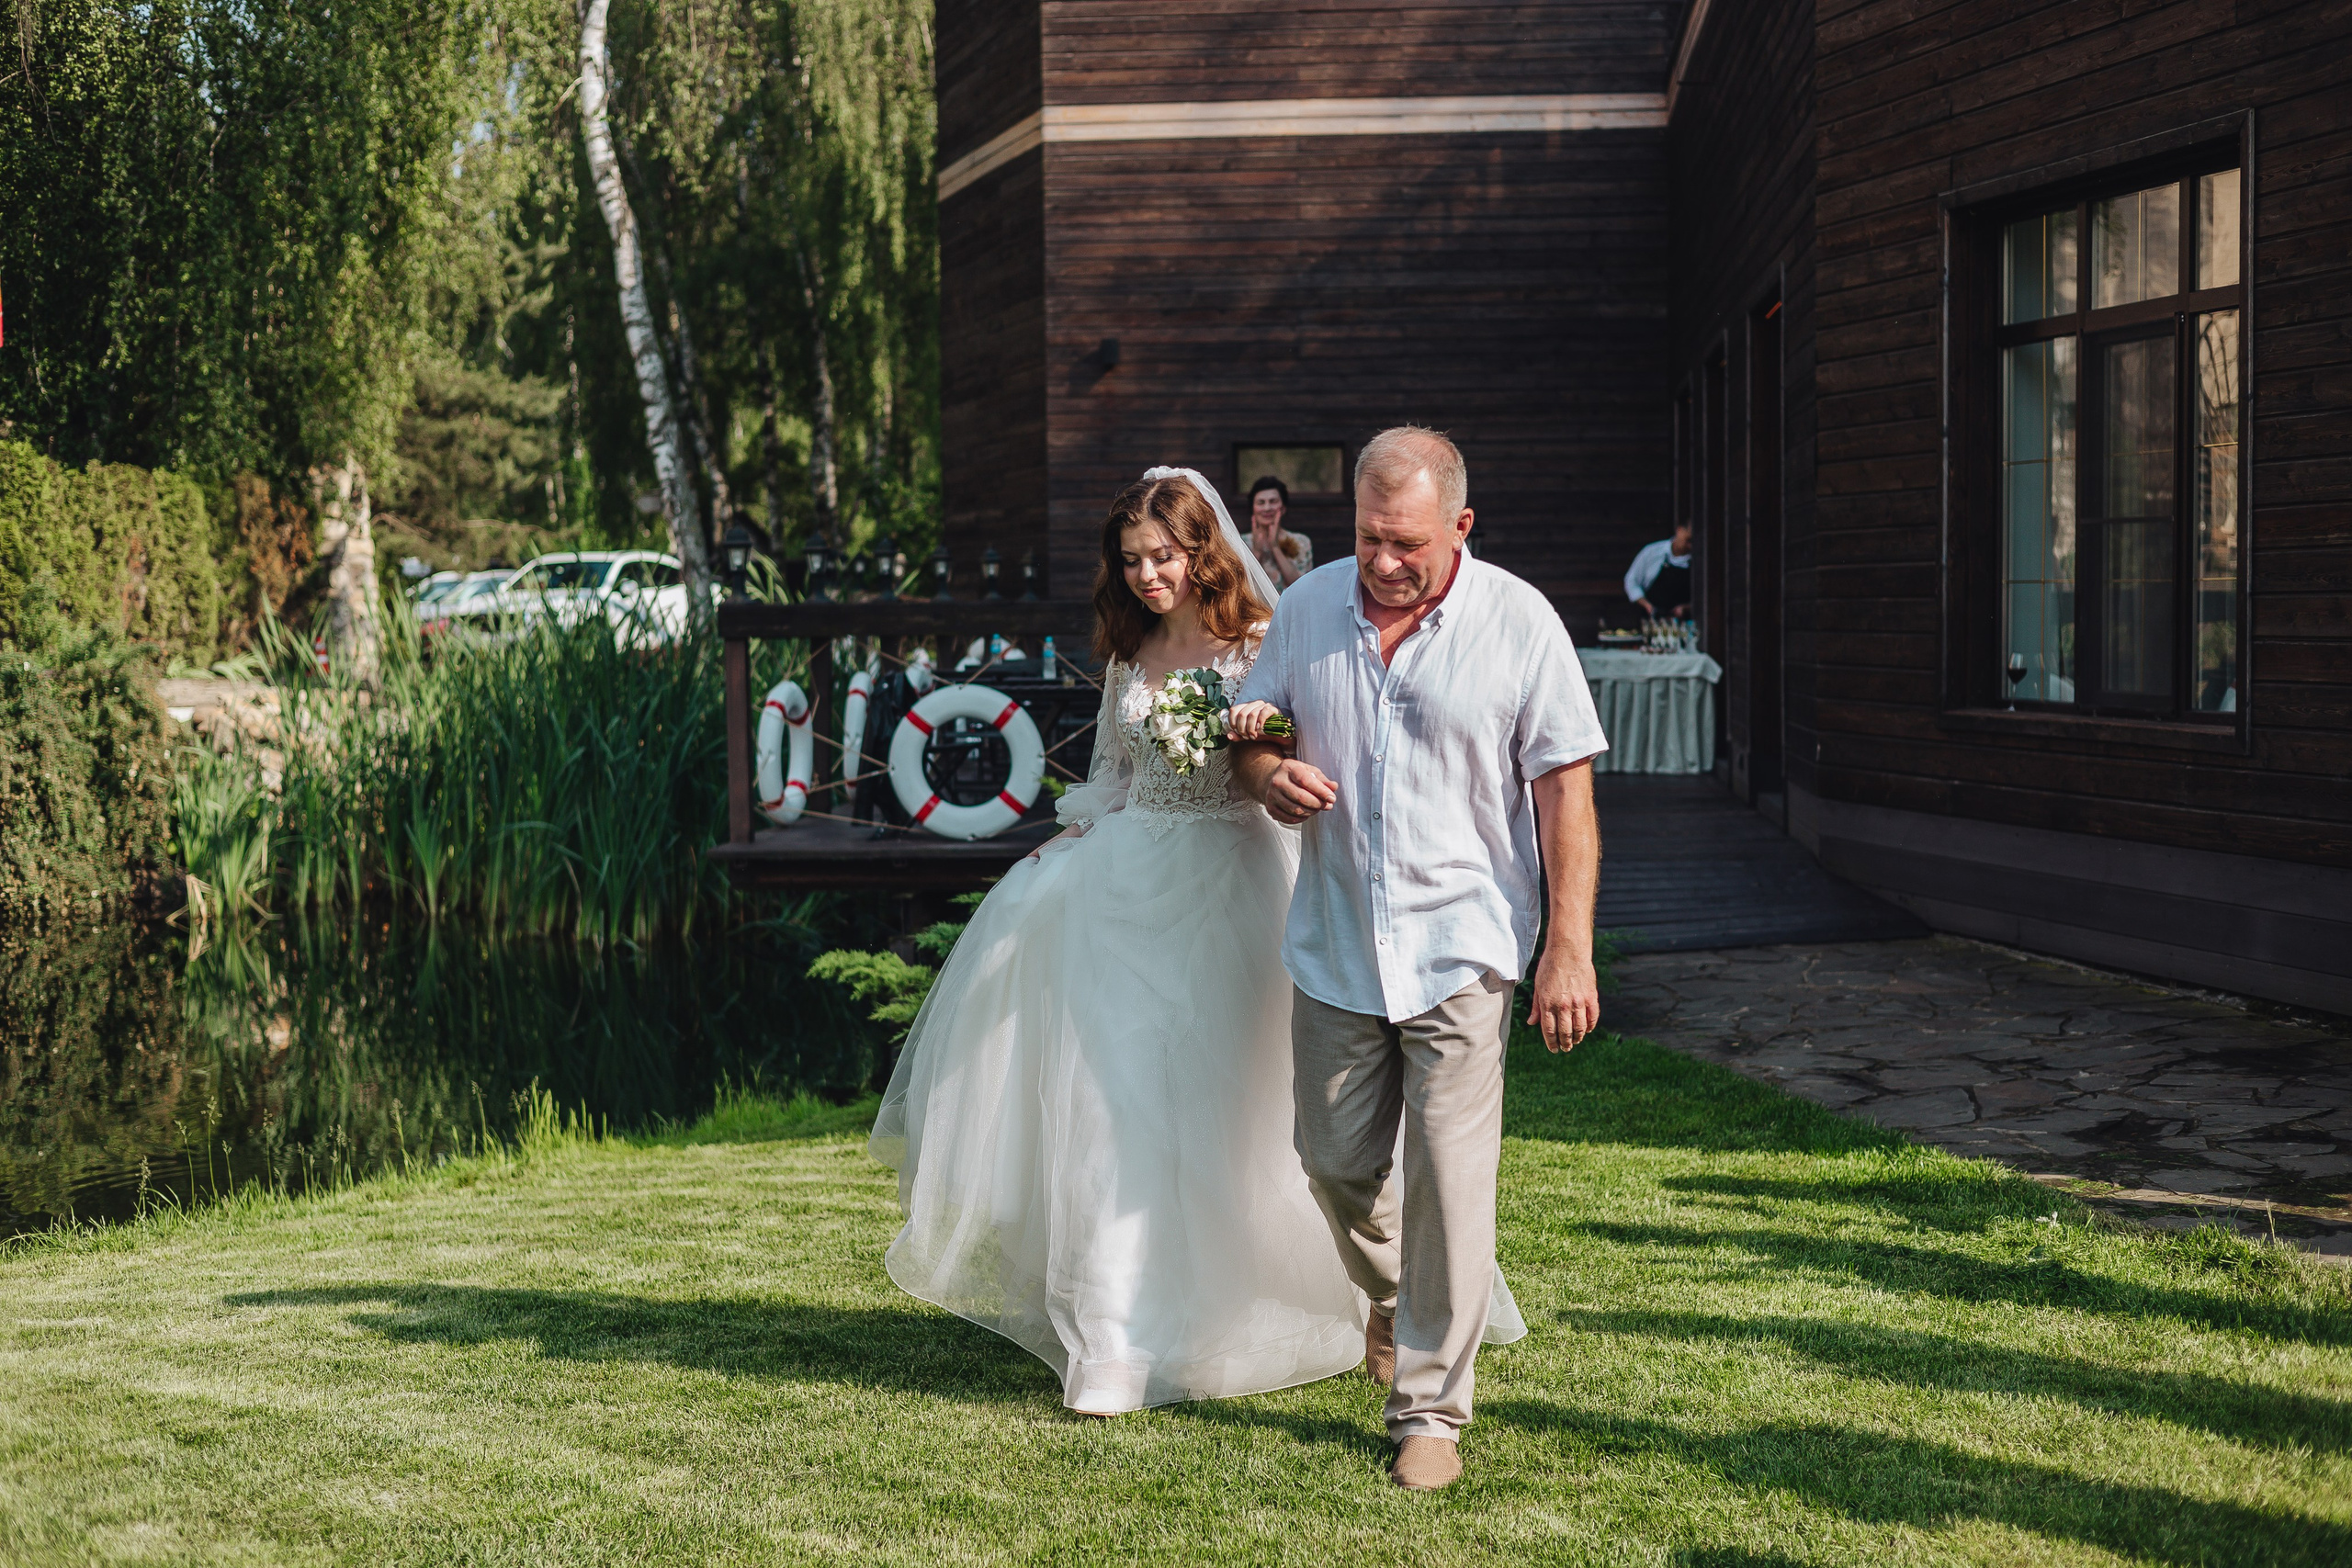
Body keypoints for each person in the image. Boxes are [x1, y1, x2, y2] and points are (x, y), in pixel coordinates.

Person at [868, 467, 1363, 1416]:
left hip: (1234, 884)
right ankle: (1112, 1345)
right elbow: (1111, 780)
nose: (1145, 576)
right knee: (1113, 1103)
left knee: (1234, 1109)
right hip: (1128, 888)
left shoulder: (1260, 644)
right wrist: (1065, 844)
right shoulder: (1129, 657)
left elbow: (1292, 762)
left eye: (1161, 557)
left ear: (1200, 551)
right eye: (1131, 561)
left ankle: (1240, 1314)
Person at [1227, 425, 1607, 1492]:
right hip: (1339, 938)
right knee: (1335, 1163)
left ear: (1460, 526)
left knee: (1449, 1175)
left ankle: (1431, 1407)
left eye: (1407, 542)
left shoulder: (1520, 623)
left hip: (1464, 944)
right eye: (1366, 537)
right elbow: (1253, 724)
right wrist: (1265, 775)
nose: (1384, 562)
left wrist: (1565, 950)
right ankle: (1400, 1298)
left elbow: (1565, 794)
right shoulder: (1305, 609)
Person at [1246, 474, 1314, 592]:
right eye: (1261, 503)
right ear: (1253, 508)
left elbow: (1301, 587)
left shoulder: (1301, 542)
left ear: (1283, 508)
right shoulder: (1240, 543)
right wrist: (1257, 552)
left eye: (1273, 501)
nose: (1267, 508)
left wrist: (1275, 547)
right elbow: (1242, 585)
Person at [1623, 522, 1692, 617]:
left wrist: (1686, 608)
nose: (1690, 546)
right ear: (1679, 530)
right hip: (1651, 618)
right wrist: (1647, 605)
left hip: (1683, 623)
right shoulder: (1652, 552)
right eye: (1688, 540)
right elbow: (1631, 581)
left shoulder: (1696, 562)